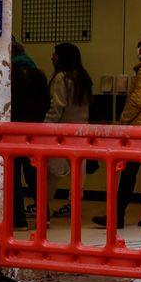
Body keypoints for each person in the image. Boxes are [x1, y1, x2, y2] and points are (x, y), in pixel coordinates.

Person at [92, 33, 141, 230]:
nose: (139, 50)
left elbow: (137, 99)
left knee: (129, 171)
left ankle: (117, 216)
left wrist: (123, 120)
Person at [44, 43, 93, 219]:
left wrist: (44, 128)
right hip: (82, 130)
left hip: (63, 131)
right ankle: (74, 206)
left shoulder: (61, 78)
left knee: (51, 172)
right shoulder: (83, 77)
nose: (52, 58)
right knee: (79, 173)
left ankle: (44, 205)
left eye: (55, 55)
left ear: (61, 57)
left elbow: (57, 107)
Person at [11, 42, 50, 230]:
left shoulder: (12, 76)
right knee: (36, 174)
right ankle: (45, 217)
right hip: (36, 130)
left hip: (15, 131)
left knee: (14, 175)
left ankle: (19, 220)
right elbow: (46, 103)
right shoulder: (39, 75)